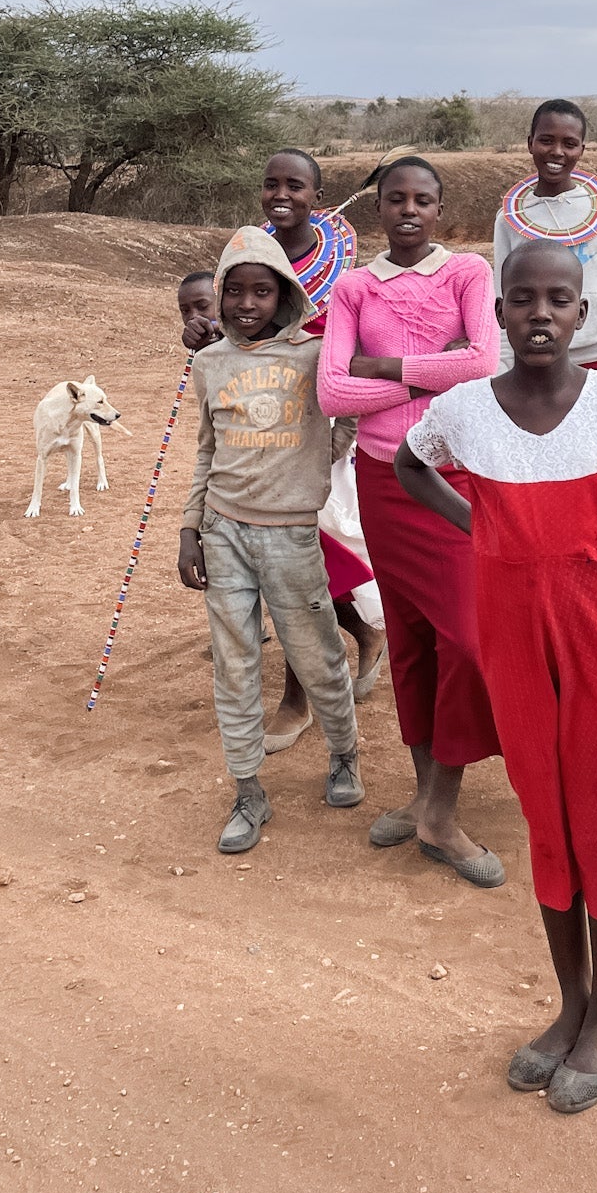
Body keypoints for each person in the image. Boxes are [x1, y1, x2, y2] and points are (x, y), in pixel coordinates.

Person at [395, 242, 597, 1114]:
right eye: (522, 298)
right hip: (512, 633)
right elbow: (406, 463)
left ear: (582, 315)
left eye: (558, 299)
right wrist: (480, 525)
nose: (540, 312)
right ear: (498, 314)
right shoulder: (463, 409)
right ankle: (567, 1003)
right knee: (547, 812)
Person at [317, 156, 505, 886]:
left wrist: (386, 366)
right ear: (379, 209)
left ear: (439, 208)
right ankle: (428, 801)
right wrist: (435, 360)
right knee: (413, 643)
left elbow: (485, 363)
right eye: (395, 199)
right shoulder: (355, 285)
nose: (407, 211)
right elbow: (334, 391)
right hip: (381, 480)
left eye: (422, 200)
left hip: (454, 475)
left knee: (468, 640)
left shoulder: (468, 275)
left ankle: (440, 807)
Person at [182, 151, 386, 748]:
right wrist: (201, 331)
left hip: (319, 438)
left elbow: (351, 355)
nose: (282, 195)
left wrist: (335, 444)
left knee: (309, 566)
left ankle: (299, 702)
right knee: (293, 569)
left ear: (316, 194)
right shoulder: (252, 252)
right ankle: (363, 639)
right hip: (257, 437)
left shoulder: (343, 263)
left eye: (295, 186)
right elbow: (230, 334)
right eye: (271, 184)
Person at [178, 226, 366, 854]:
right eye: (235, 291)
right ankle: (248, 790)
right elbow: (206, 451)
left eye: (263, 291)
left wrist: (318, 462)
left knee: (316, 656)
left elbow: (348, 417)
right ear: (221, 295)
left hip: (292, 536)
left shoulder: (313, 357)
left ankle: (344, 754)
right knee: (235, 665)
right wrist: (189, 530)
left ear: (285, 294)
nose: (247, 304)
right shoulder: (208, 365)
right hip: (223, 532)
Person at [492, 99, 597, 372]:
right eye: (546, 141)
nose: (556, 152)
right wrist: (505, 366)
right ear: (530, 143)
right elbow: (504, 294)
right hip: (537, 352)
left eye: (569, 143)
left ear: (581, 149)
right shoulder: (509, 220)